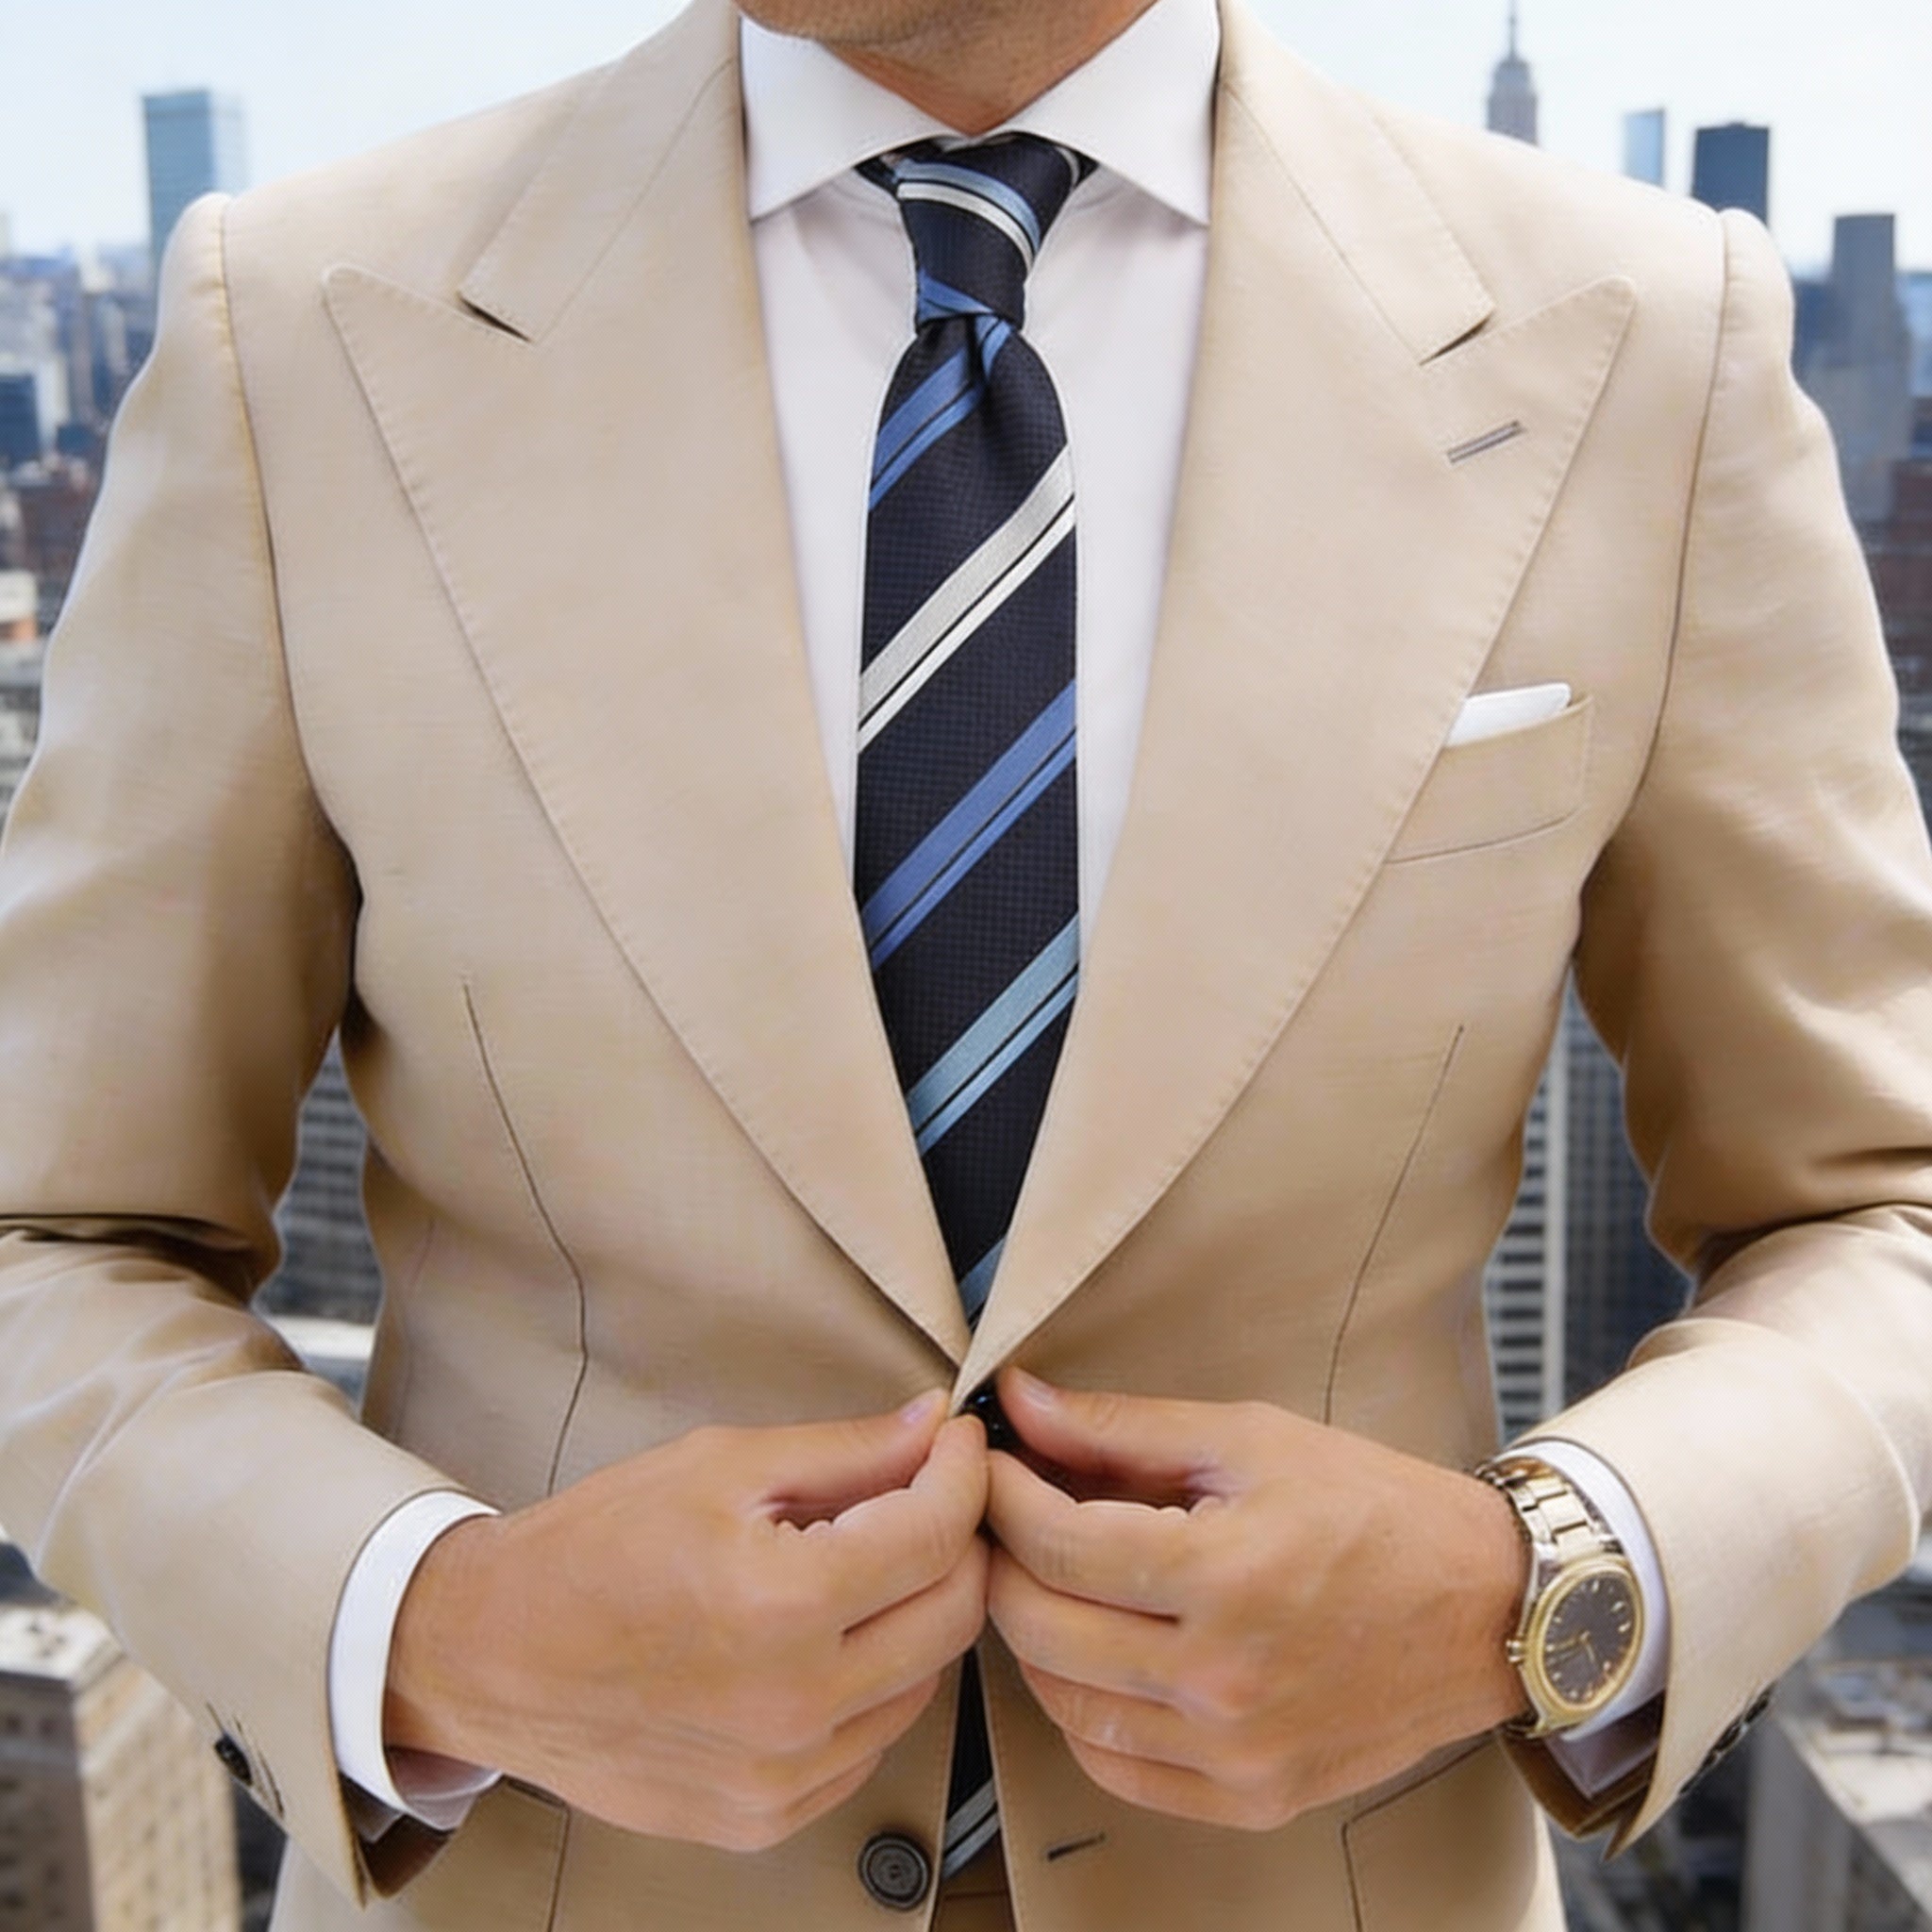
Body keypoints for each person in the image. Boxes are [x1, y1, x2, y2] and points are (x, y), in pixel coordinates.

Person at [2, 0, 1929, 1925]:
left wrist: (1535, 1592)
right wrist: (438, 1627)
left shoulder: (1645, 338)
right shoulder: (302, 329)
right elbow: (52, 1235)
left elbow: (1881, 1208)